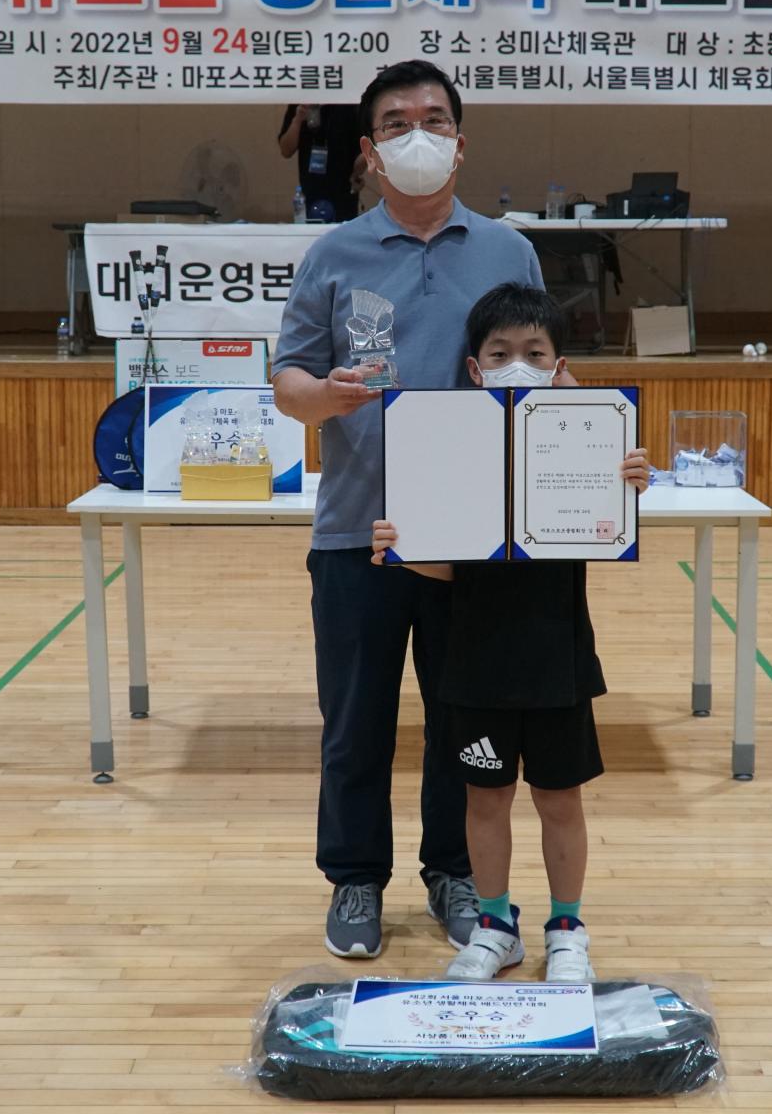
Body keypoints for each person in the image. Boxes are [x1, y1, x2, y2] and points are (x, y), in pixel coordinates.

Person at [272, 60, 554, 960]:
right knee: (355, 721)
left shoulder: (509, 252)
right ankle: (356, 878)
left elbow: (542, 371)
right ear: (369, 151)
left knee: (461, 719)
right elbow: (287, 381)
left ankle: (454, 873)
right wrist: (325, 397)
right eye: (397, 124)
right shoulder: (333, 254)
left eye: (434, 119)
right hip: (357, 528)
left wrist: (594, 441)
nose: (417, 135)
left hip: (473, 537)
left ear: (460, 144)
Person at [370, 283, 648, 982]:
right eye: (499, 354)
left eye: (535, 353)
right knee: (485, 800)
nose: (516, 364)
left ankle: (567, 930)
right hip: (476, 658)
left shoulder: (591, 442)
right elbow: (443, 565)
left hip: (558, 656)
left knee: (560, 800)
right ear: (474, 367)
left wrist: (628, 479)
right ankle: (496, 928)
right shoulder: (448, 449)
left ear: (559, 367)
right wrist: (399, 548)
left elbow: (608, 523)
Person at [277, 103, 366, 223]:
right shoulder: (300, 103)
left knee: (344, 231)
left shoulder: (348, 104)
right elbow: (286, 150)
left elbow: (361, 153)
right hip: (309, 190)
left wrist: (357, 173)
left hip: (344, 192)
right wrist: (297, 120)